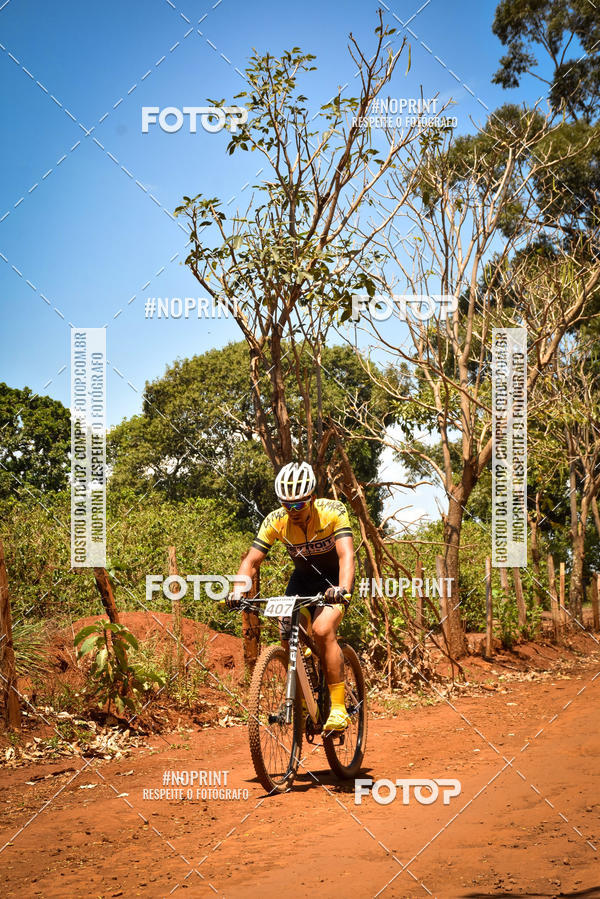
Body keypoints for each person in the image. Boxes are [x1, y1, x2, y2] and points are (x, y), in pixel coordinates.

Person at [227, 461, 355, 731]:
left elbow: (346, 555)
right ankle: (301, 698)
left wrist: (342, 589)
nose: (293, 511)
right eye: (287, 505)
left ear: (313, 498)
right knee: (286, 631)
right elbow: (251, 561)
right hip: (302, 581)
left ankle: (339, 708)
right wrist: (238, 590)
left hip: (333, 582)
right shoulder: (276, 520)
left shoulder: (333, 511)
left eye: (299, 504)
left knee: (322, 630)